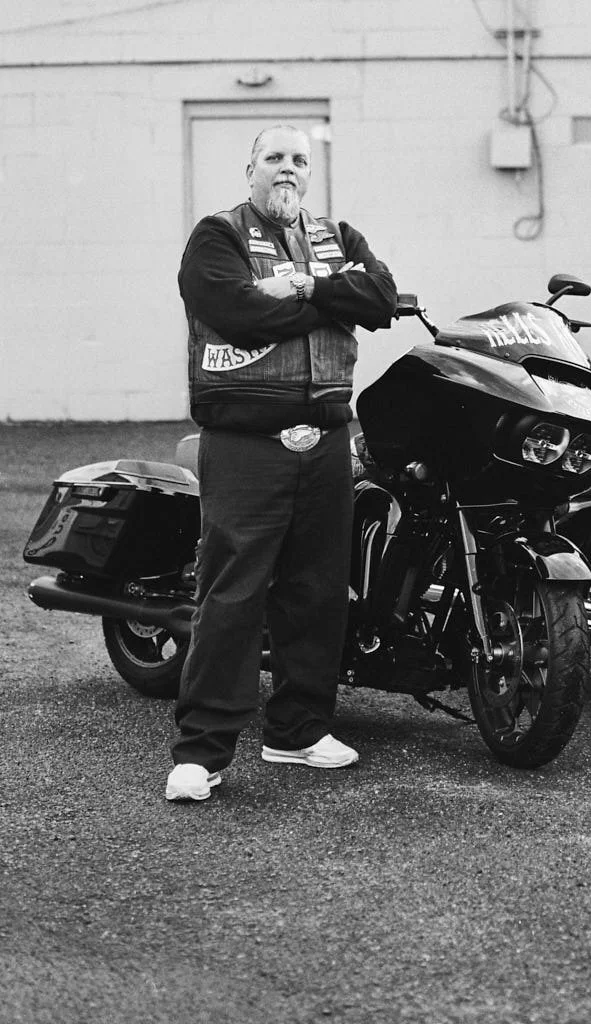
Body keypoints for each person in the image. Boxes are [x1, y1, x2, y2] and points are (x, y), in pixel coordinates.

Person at [165, 123, 397, 802]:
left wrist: (297, 285)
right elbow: (235, 313)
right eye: (275, 158)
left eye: (299, 159)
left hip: (325, 443)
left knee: (318, 592)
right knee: (232, 595)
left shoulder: (341, 237)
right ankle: (201, 754)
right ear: (251, 170)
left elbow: (380, 300)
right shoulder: (218, 237)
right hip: (244, 444)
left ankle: (296, 733)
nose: (287, 169)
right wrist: (330, 296)